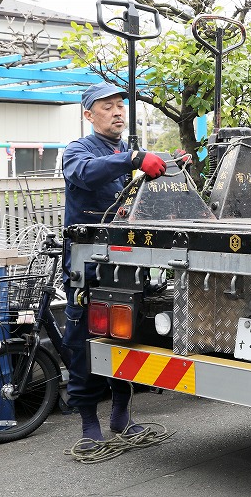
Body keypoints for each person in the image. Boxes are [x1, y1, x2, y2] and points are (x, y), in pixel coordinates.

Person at [61, 82, 172, 450]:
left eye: (120, 105)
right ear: (88, 115)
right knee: (83, 339)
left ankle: (122, 413)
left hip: (126, 259)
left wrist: (166, 171)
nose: (117, 112)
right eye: (107, 107)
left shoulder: (128, 150)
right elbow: (85, 173)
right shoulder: (78, 151)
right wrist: (132, 160)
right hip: (88, 262)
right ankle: (88, 422)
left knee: (128, 333)